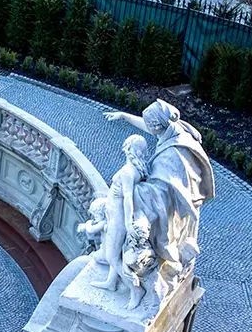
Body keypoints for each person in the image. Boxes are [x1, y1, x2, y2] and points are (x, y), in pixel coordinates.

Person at [104, 100, 215, 274]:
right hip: (172, 193)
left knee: (137, 195)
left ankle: (148, 248)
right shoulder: (173, 129)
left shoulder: (173, 153)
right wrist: (124, 116)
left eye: (150, 125)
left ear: (157, 125)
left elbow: (165, 191)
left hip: (172, 201)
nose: (148, 128)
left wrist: (134, 190)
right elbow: (149, 127)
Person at [92, 134, 151, 294]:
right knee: (116, 253)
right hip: (115, 215)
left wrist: (127, 223)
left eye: (127, 146)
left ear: (130, 149)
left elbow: (128, 198)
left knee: (112, 257)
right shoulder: (137, 169)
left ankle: (136, 290)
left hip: (118, 219)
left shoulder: (127, 172)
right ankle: (111, 282)